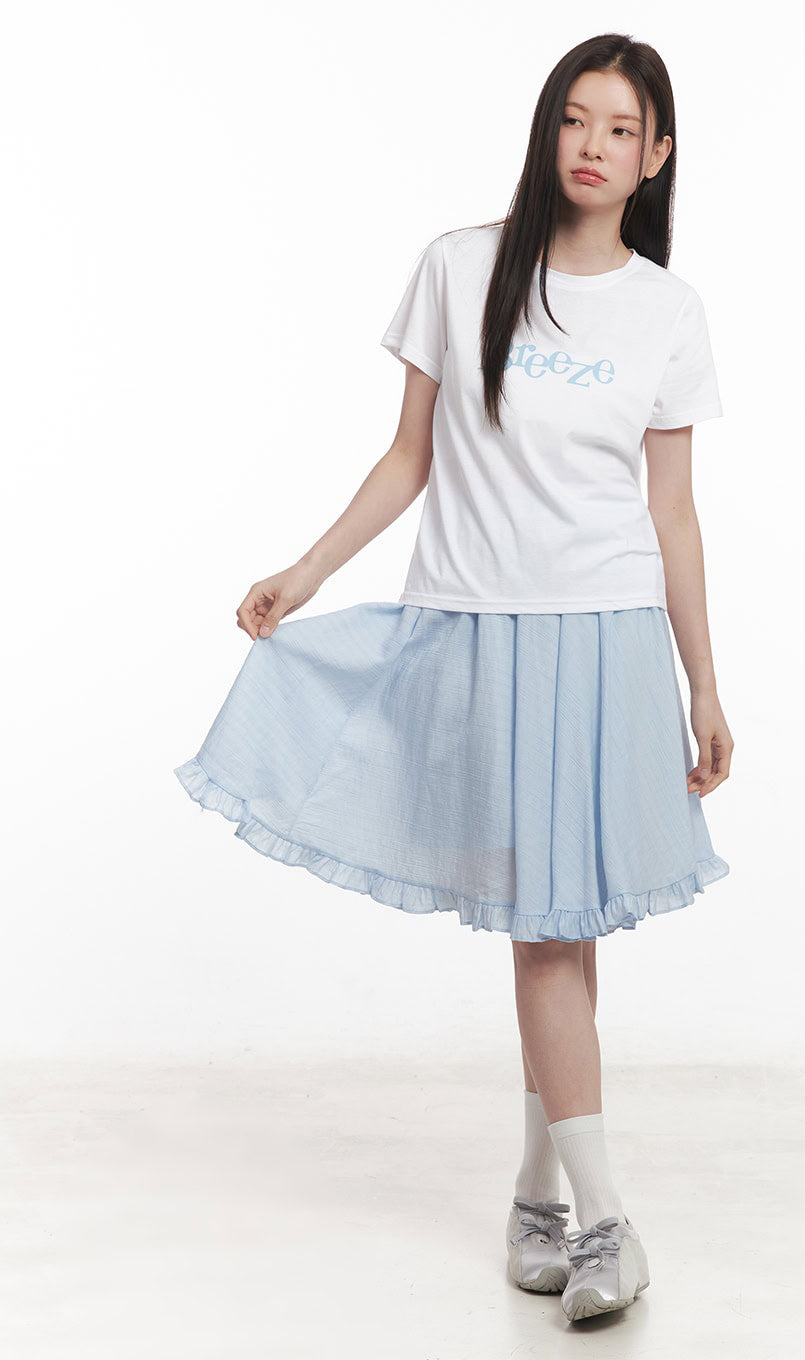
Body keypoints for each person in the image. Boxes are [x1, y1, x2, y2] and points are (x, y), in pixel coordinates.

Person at [174, 32, 733, 1324]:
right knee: (544, 929)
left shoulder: (668, 311)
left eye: (621, 129)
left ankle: (557, 1201)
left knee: (560, 929)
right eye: (575, 119)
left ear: (656, 156)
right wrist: (306, 571)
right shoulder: (461, 266)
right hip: (484, 631)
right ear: (549, 131)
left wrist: (703, 684)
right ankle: (595, 1216)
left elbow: (675, 516)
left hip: (606, 641)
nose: (593, 146)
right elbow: (409, 458)